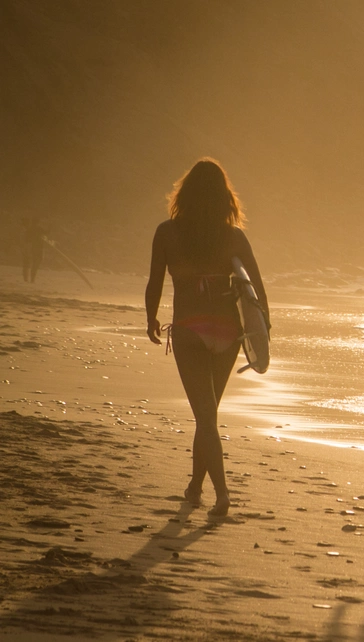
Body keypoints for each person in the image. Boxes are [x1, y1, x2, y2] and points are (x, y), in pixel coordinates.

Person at [145, 158, 269, 517]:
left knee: (205, 418)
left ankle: (223, 493)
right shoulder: (234, 236)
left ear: (184, 194)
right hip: (227, 332)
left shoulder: (167, 232)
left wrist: (151, 316)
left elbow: (155, 281)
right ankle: (195, 487)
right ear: (224, 197)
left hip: (189, 329)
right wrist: (265, 331)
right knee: (208, 415)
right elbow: (257, 288)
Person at [20, 217, 45, 283]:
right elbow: (46, 233)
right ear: (38, 222)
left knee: (27, 263)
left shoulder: (29, 229)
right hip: (37, 248)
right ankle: (32, 279)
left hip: (29, 248)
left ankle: (27, 279)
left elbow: (25, 239)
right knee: (35, 263)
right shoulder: (39, 229)